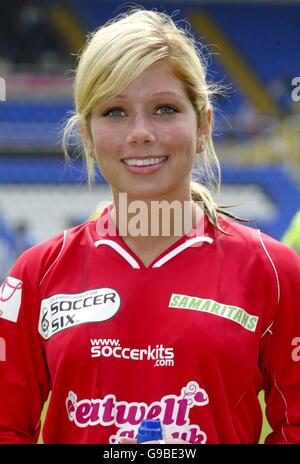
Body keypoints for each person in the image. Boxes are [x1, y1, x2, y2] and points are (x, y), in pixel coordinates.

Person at [1, 8, 300, 445]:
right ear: (86, 134)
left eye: (164, 109)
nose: (140, 132)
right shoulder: (36, 275)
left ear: (204, 126)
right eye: (115, 112)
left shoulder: (275, 272)